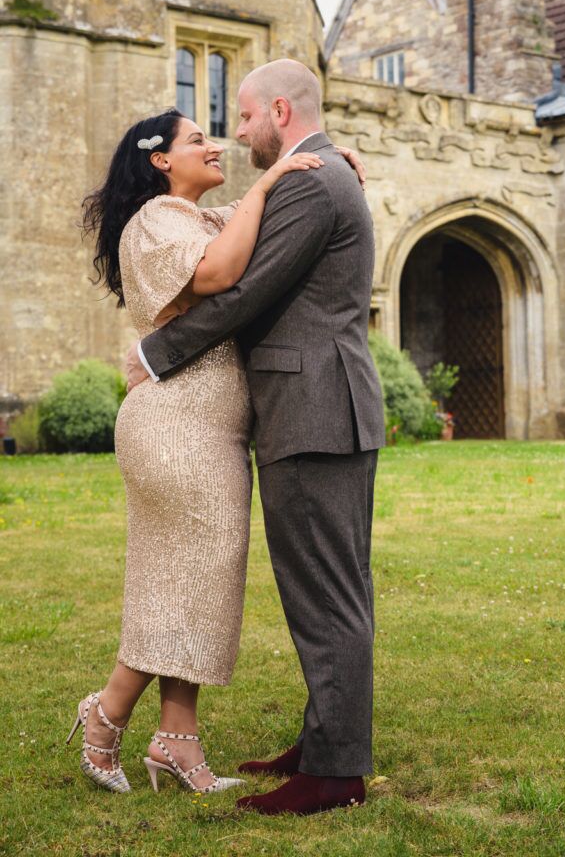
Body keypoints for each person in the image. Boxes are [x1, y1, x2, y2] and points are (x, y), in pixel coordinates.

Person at [74, 102, 362, 795]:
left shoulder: (198, 214)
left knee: (193, 575)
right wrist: (269, 186)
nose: (217, 146)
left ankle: (177, 740)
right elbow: (219, 275)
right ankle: (106, 712)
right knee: (189, 574)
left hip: (211, 423)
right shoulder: (156, 221)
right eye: (198, 139)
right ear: (159, 160)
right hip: (176, 421)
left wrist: (325, 171)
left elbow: (254, 229)